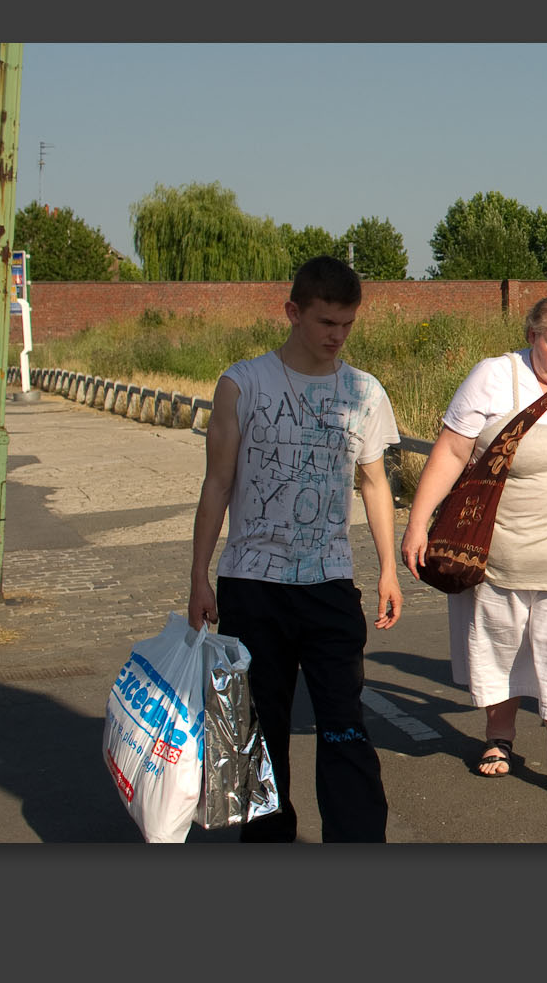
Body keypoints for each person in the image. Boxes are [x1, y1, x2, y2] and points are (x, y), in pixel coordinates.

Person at [187, 255, 404, 842]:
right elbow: (218, 482)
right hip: (253, 585)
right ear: (293, 312)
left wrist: (388, 569)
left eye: (347, 325)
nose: (336, 337)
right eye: (325, 322)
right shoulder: (243, 383)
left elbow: (374, 483)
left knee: (344, 727)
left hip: (330, 583)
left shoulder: (363, 390)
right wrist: (199, 577)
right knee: (262, 732)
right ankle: (267, 841)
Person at [402, 292, 547, 802]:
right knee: (502, 645)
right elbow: (453, 450)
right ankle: (498, 736)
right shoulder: (495, 377)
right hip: (501, 554)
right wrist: (417, 523)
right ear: (531, 336)